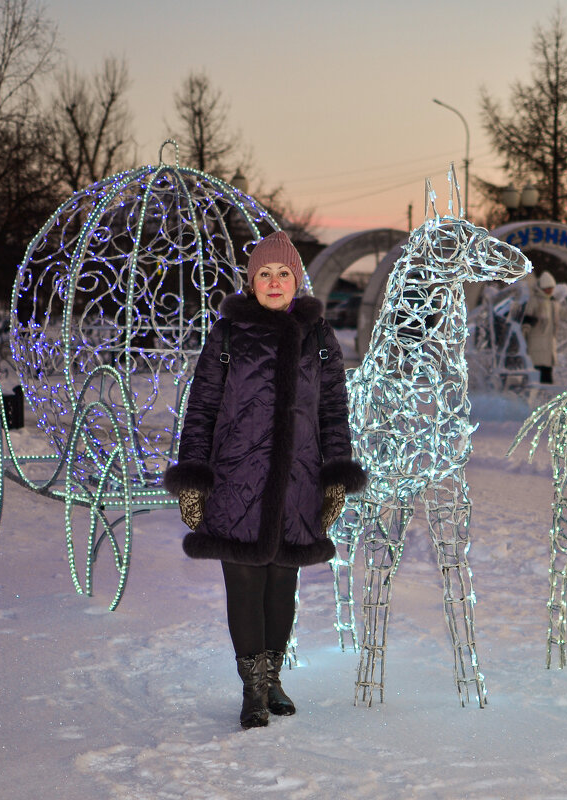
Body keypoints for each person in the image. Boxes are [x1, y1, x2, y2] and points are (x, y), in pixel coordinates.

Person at [163, 230, 367, 730]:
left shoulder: (319, 337)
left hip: (299, 480)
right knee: (244, 581)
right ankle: (252, 691)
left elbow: (334, 413)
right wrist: (194, 480)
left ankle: (273, 678)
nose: (274, 283)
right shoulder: (227, 336)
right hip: (236, 478)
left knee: (282, 582)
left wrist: (336, 477)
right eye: (264, 274)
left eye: (283, 274)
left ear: (296, 281)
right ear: (250, 281)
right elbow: (203, 409)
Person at [523, 271, 560, 384]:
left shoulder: (553, 302)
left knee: (547, 369)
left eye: (551, 288)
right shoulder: (535, 300)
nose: (550, 290)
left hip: (548, 343)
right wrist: (526, 329)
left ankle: (545, 393)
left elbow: (561, 313)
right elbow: (527, 317)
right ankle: (538, 394)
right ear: (543, 287)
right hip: (537, 341)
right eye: (548, 288)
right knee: (538, 368)